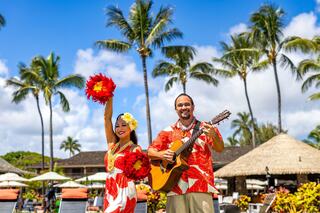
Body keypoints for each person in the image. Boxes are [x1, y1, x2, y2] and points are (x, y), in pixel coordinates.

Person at [148, 93, 224, 213]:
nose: (184, 107)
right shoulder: (168, 131)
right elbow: (150, 152)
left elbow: (220, 148)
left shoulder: (206, 127)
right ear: (176, 109)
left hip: (201, 184)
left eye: (187, 104)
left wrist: (214, 136)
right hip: (174, 186)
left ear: (193, 107)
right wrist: (162, 155)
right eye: (180, 105)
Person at [103, 97, 142, 213]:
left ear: (131, 127)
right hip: (110, 189)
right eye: (117, 125)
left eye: (124, 125)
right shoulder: (112, 145)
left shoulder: (135, 149)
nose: (119, 128)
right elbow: (106, 118)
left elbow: (140, 171)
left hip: (125, 189)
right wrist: (109, 97)